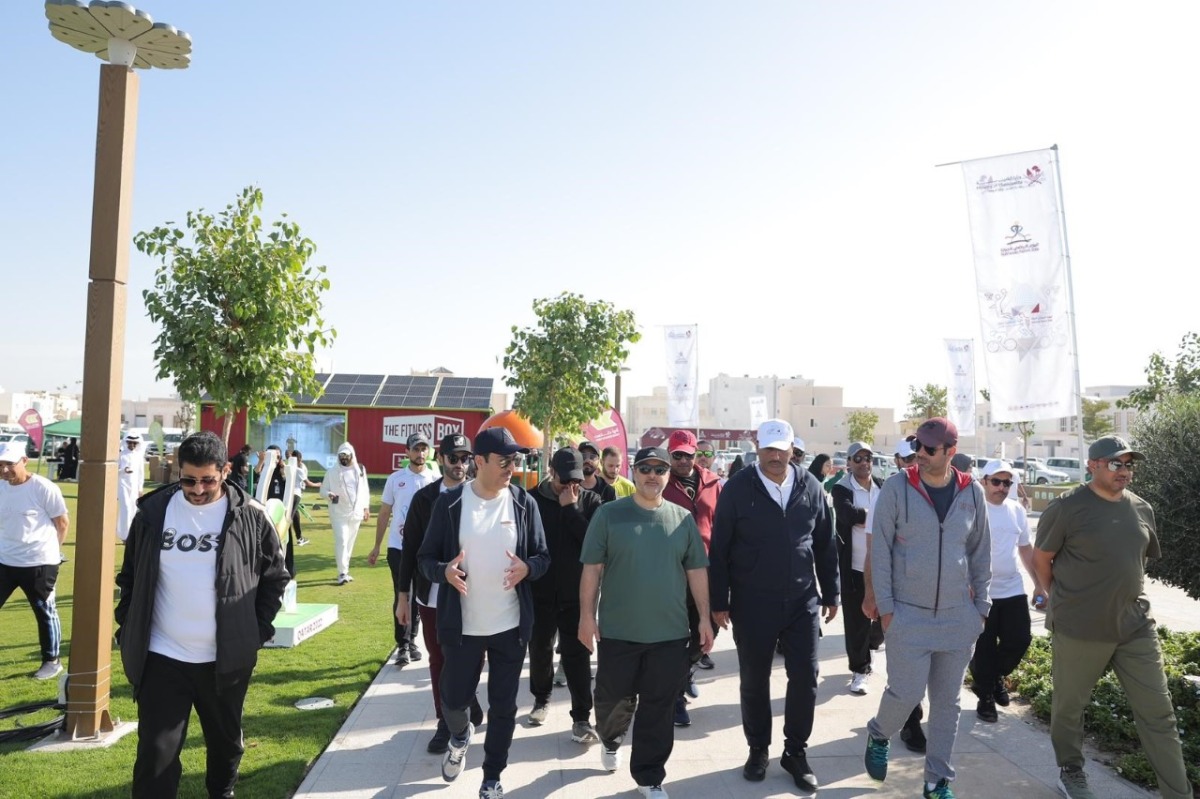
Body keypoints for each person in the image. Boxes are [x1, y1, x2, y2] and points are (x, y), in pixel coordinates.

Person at [114, 431, 289, 798]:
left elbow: (275, 578)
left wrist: (254, 632)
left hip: (223, 662)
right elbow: (130, 576)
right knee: (155, 756)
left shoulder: (251, 516)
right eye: (188, 479)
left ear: (225, 470)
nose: (196, 489)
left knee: (225, 749)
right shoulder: (152, 512)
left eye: (207, 480)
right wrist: (127, 623)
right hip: (162, 657)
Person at [1033, 436, 1192, 799]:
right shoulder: (1066, 508)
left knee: (1159, 713)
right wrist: (1059, 597)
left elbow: (1133, 562)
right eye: (1116, 464)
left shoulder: (1141, 508)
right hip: (1080, 628)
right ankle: (1070, 770)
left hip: (1135, 626)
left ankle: (1177, 793)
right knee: (1069, 709)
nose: (1125, 471)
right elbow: (1042, 559)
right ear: (1092, 465)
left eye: (1129, 464)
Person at [417, 427, 550, 798]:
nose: (512, 466)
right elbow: (425, 559)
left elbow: (542, 557)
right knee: (453, 700)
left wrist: (529, 568)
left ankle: (492, 777)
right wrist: (443, 571)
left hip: (510, 626)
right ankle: (460, 736)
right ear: (479, 462)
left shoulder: (524, 503)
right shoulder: (450, 504)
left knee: (504, 707)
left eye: (516, 460)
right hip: (463, 628)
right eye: (504, 460)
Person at [709, 419, 839, 794]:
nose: (775, 456)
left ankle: (795, 752)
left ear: (791, 450)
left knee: (805, 678)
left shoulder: (810, 485)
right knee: (754, 680)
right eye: (768, 449)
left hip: (802, 601)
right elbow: (719, 550)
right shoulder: (737, 489)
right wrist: (720, 601)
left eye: (782, 450)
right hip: (753, 602)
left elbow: (825, 542)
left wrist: (830, 593)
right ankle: (758, 750)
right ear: (757, 448)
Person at [864, 417, 990, 799]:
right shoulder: (897, 489)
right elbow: (880, 550)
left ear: (951, 452)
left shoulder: (973, 492)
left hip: (958, 617)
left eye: (929, 449)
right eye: (917, 445)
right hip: (907, 615)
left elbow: (980, 552)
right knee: (904, 694)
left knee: (948, 705)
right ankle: (879, 733)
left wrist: (980, 608)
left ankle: (937, 781)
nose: (919, 453)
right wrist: (886, 609)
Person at [579, 446, 712, 799]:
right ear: (634, 472)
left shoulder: (682, 518)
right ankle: (610, 738)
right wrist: (585, 617)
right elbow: (592, 568)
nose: (652, 475)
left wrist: (704, 618)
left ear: (668, 475)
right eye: (645, 468)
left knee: (659, 705)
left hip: (669, 634)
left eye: (660, 469)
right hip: (619, 631)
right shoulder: (609, 514)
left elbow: (696, 570)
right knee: (611, 700)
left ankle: (649, 775)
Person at [398, 433, 484, 754]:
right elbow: (410, 551)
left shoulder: (480, 496)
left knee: (472, 657)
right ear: (441, 457)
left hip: (471, 595)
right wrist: (403, 596)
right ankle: (445, 720)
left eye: (465, 458)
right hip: (431, 595)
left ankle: (465, 698)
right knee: (439, 659)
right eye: (453, 458)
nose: (460, 464)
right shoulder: (424, 499)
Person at [526, 447, 604, 741]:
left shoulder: (591, 500)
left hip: (577, 596)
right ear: (552, 472)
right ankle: (541, 698)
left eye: (578, 479)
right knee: (540, 650)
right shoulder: (532, 499)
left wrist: (570, 509)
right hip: (540, 592)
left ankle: (582, 718)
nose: (571, 486)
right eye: (565, 480)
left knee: (578, 656)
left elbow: (593, 544)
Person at [970, 459, 1041, 724]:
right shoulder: (973, 510)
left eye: (1007, 483)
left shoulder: (1016, 511)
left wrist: (1039, 583)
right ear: (984, 481)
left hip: (1012, 588)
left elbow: (1025, 548)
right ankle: (985, 697)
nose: (1002, 487)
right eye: (997, 482)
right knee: (984, 647)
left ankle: (991, 677)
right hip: (980, 592)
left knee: (1020, 639)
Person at [661, 429, 722, 718]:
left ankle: (684, 673)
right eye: (678, 455)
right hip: (673, 572)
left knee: (711, 626)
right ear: (670, 455)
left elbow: (723, 525)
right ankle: (674, 698)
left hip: (708, 569)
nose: (684, 460)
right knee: (676, 635)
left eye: (689, 454)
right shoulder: (660, 482)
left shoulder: (713, 483)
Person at [0, 440, 70, 680]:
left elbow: (61, 523)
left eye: (9, 464)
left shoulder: (43, 487)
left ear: (24, 461)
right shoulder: (0, 486)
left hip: (39, 563)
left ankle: (52, 661)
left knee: (44, 611)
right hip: (6, 561)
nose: (4, 470)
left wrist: (52, 553)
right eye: (0, 465)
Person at [371, 433, 436, 666]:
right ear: (407, 452)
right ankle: (402, 645)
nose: (420, 454)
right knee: (402, 594)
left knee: (420, 596)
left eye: (424, 449)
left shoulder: (435, 479)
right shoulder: (395, 479)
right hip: (398, 548)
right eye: (416, 449)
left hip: (426, 550)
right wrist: (377, 545)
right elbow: (384, 514)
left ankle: (413, 641)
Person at [830, 442, 885, 696]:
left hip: (883, 565)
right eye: (858, 458)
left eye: (868, 458)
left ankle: (871, 646)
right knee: (856, 620)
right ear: (849, 462)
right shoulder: (842, 489)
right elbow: (846, 515)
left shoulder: (883, 486)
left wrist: (866, 514)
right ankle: (860, 669)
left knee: (883, 619)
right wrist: (874, 515)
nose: (864, 462)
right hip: (853, 566)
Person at [320, 442, 371, 586]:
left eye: (346, 456)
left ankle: (345, 569)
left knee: (349, 542)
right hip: (338, 513)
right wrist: (328, 494)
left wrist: (366, 508)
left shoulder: (360, 470)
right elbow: (322, 490)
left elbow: (365, 489)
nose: (343, 458)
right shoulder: (331, 472)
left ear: (351, 455)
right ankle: (342, 572)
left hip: (356, 512)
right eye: (341, 456)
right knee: (341, 540)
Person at [118, 432, 147, 543]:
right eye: (130, 443)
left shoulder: (139, 456)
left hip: (134, 486)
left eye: (134, 443)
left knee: (133, 509)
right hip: (122, 485)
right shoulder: (121, 455)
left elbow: (141, 474)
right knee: (125, 508)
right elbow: (114, 470)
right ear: (126, 443)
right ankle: (125, 536)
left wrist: (140, 488)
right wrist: (123, 470)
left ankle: (129, 533)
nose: (132, 445)